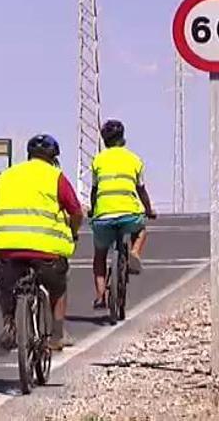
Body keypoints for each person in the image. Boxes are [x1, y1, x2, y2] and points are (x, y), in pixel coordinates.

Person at [0, 134, 82, 354]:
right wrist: (73, 232)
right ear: (53, 158)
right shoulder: (55, 177)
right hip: (46, 251)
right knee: (58, 286)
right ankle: (57, 335)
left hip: (8, 248)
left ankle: (9, 324)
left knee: (6, 287)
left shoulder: (7, 176)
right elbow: (76, 212)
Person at [89, 119, 156, 309]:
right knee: (141, 229)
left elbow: (94, 191)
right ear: (123, 138)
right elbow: (141, 190)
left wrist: (93, 210)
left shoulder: (98, 160)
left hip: (103, 216)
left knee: (100, 255)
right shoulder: (134, 160)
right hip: (129, 214)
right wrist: (149, 211)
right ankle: (134, 252)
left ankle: (101, 295)